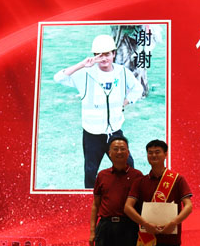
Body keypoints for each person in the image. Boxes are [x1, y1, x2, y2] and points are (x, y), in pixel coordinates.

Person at [54, 34, 144, 188]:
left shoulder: (122, 72)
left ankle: (128, 196)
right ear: (94, 56)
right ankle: (90, 199)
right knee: (90, 171)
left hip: (114, 131)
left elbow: (138, 88)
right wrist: (82, 64)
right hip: (92, 134)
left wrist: (125, 102)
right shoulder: (85, 73)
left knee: (129, 166)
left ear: (114, 54)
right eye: (99, 55)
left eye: (107, 54)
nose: (104, 59)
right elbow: (59, 78)